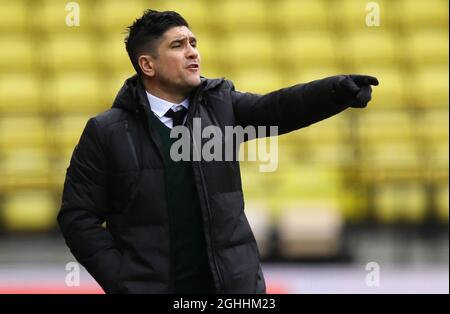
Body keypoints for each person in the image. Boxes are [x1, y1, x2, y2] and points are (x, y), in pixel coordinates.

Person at [57, 9, 378, 294]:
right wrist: (123, 281)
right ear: (147, 64)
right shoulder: (106, 132)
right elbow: (77, 217)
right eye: (178, 45)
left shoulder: (221, 104)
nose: (192, 52)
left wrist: (336, 91)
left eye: (193, 43)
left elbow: (278, 108)